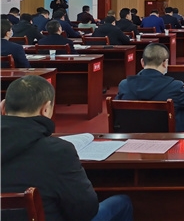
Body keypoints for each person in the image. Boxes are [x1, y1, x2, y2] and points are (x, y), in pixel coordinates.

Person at [1, 75, 134, 221]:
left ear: (3, 107)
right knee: (123, 203)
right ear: (45, 109)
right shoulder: (57, 152)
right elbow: (85, 211)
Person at [117, 43, 184, 131]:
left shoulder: (124, 85)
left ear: (142, 62)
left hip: (133, 137)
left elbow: (117, 112)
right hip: (168, 138)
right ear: (165, 63)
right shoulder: (174, 87)